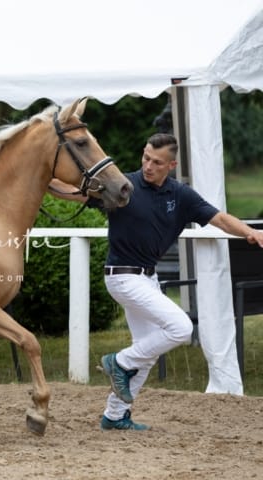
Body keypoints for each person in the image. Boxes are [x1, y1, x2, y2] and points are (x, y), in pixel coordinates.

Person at [49, 133, 263, 431]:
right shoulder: (122, 185)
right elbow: (73, 192)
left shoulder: (181, 196)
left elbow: (219, 218)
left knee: (147, 353)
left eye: (157, 162)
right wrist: (42, 177)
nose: (148, 165)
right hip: (122, 277)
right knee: (181, 328)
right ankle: (119, 361)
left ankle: (114, 415)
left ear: (171, 165)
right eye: (146, 158)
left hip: (147, 279)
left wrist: (251, 233)